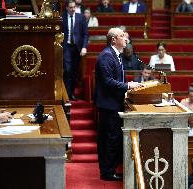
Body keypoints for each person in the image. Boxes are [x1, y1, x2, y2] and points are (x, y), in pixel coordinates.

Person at [94, 27, 141, 181]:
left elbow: (117, 80)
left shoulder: (116, 55)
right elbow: (108, 82)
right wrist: (128, 86)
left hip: (114, 103)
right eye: (122, 36)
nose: (126, 39)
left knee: (113, 137)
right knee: (109, 138)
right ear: (113, 39)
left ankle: (109, 169)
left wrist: (128, 84)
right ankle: (107, 172)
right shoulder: (106, 56)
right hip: (109, 105)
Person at [62, 0, 88, 100]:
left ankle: (71, 93)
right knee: (67, 70)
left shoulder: (81, 17)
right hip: (66, 47)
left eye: (74, 7)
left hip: (77, 48)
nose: (73, 9)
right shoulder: (62, 17)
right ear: (67, 8)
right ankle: (66, 94)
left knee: (74, 72)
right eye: (71, 7)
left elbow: (85, 34)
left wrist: (84, 47)